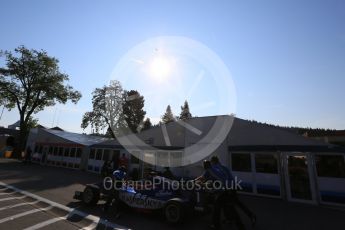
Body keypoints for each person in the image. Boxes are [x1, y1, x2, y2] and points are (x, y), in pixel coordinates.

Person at [211, 156, 256, 229]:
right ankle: (250, 216)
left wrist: (214, 189)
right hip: (232, 188)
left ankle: (217, 224)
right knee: (235, 204)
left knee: (222, 206)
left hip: (227, 190)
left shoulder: (215, 168)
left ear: (213, 162)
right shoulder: (223, 167)